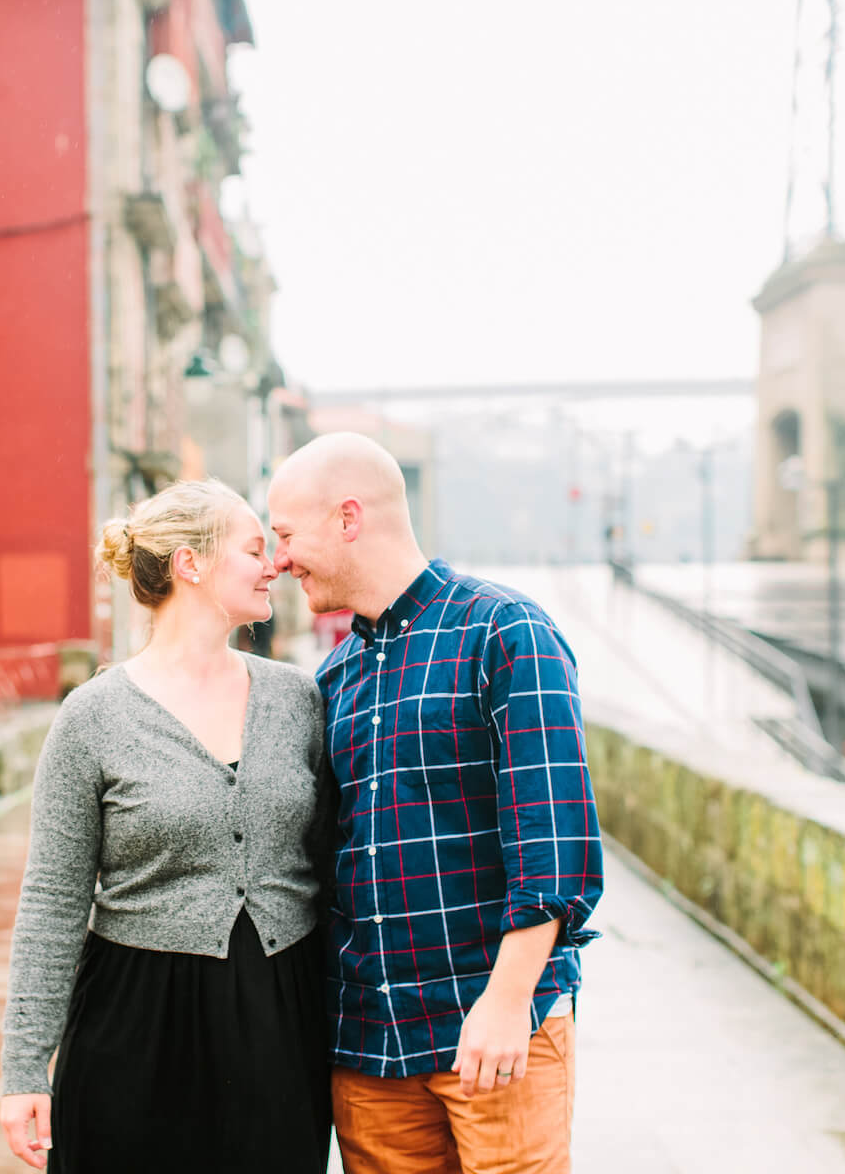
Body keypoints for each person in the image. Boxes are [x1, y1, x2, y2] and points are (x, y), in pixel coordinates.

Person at [268, 433, 605, 1174]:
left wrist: (508, 1002)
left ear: (348, 518)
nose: (279, 559)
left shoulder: (506, 632)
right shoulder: (334, 676)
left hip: (491, 1032)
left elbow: (555, 844)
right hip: (369, 1050)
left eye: (287, 535)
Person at [0, 479, 332, 1173]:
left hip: (279, 1021)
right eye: (253, 549)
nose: (274, 564)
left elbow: (332, 867)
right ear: (191, 565)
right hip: (134, 1024)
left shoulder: (299, 700)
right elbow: (53, 901)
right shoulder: (92, 719)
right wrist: (26, 1068)